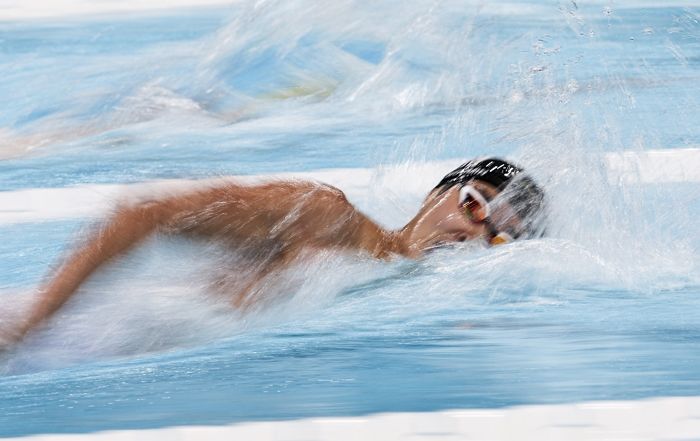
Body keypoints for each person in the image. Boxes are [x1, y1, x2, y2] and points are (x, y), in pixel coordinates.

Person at [3, 157, 545, 347]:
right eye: (475, 207)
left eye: (498, 237)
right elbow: (143, 214)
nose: (475, 234)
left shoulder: (394, 293)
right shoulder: (326, 216)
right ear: (438, 192)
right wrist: (34, 324)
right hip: (54, 338)